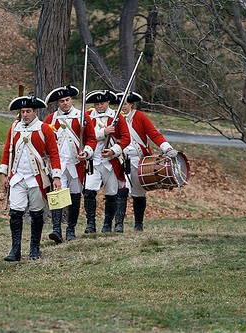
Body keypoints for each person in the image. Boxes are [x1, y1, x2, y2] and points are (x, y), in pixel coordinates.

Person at [0, 95, 62, 261]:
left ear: (35, 111)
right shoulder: (14, 128)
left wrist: (56, 177)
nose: (25, 114)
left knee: (36, 213)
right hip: (18, 176)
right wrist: (3, 173)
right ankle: (15, 250)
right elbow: (7, 151)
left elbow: (54, 154)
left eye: (28, 111)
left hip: (36, 177)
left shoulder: (44, 129)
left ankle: (34, 248)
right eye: (22, 111)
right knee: (15, 213)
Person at [114, 92, 178, 232]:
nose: (122, 107)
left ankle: (138, 224)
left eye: (125, 104)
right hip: (120, 158)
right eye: (120, 105)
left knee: (138, 192)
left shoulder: (140, 116)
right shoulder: (114, 117)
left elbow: (154, 134)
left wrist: (167, 149)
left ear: (131, 104)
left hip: (138, 159)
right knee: (122, 189)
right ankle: (118, 224)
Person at [43, 85, 97, 242]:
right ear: (58, 103)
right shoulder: (51, 119)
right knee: (58, 196)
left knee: (74, 196)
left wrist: (86, 152)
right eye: (61, 101)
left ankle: (71, 229)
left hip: (76, 163)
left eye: (67, 100)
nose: (65, 103)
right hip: (58, 165)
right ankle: (56, 229)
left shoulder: (81, 117)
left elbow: (91, 138)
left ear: (71, 100)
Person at [84, 90, 131, 233]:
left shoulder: (116, 117)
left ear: (108, 102)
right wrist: (102, 132)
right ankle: (90, 224)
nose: (99, 106)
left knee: (111, 194)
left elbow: (125, 138)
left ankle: (107, 224)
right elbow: (84, 135)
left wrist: (113, 150)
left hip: (111, 161)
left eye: (102, 103)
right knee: (89, 192)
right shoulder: (88, 117)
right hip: (94, 160)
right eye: (96, 104)